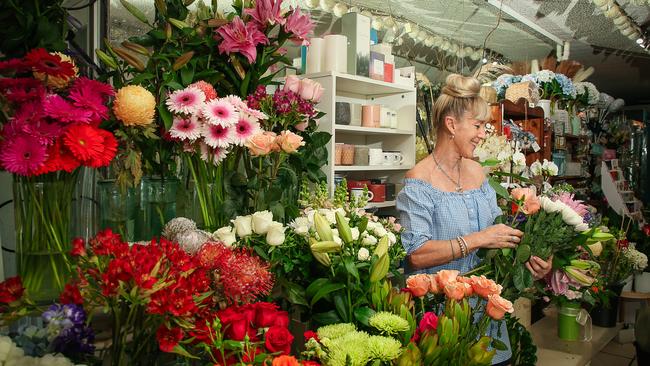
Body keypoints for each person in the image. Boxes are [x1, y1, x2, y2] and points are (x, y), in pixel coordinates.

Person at [396, 74, 552, 365]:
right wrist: (478, 239)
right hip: (441, 323)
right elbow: (416, 254)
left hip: (487, 319)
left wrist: (532, 259)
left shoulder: (478, 173)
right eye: (478, 126)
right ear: (452, 125)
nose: (483, 134)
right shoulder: (418, 181)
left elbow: (498, 238)